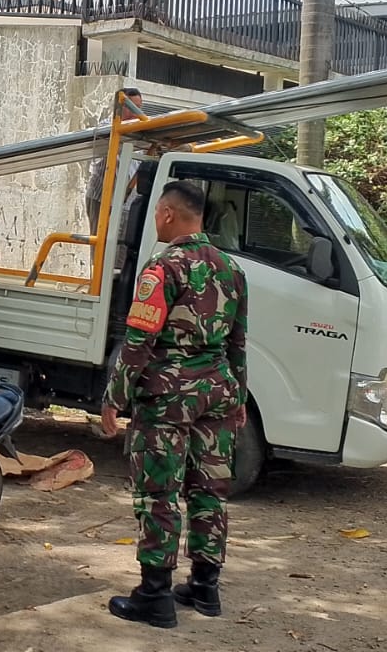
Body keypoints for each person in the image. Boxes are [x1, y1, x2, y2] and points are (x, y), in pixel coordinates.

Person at [99, 180, 248, 629]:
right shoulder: (231, 269)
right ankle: (205, 587)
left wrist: (114, 398)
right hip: (217, 393)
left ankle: (155, 595)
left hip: (167, 398)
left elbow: (139, 341)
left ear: (166, 214)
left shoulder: (162, 268)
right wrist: (238, 397)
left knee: (158, 493)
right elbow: (238, 343)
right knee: (209, 492)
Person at [86, 88, 146, 236]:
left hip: (126, 202)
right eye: (132, 108)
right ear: (121, 107)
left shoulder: (140, 133)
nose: (137, 114)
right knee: (102, 246)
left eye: (139, 108)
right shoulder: (107, 128)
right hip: (102, 200)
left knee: (120, 251)